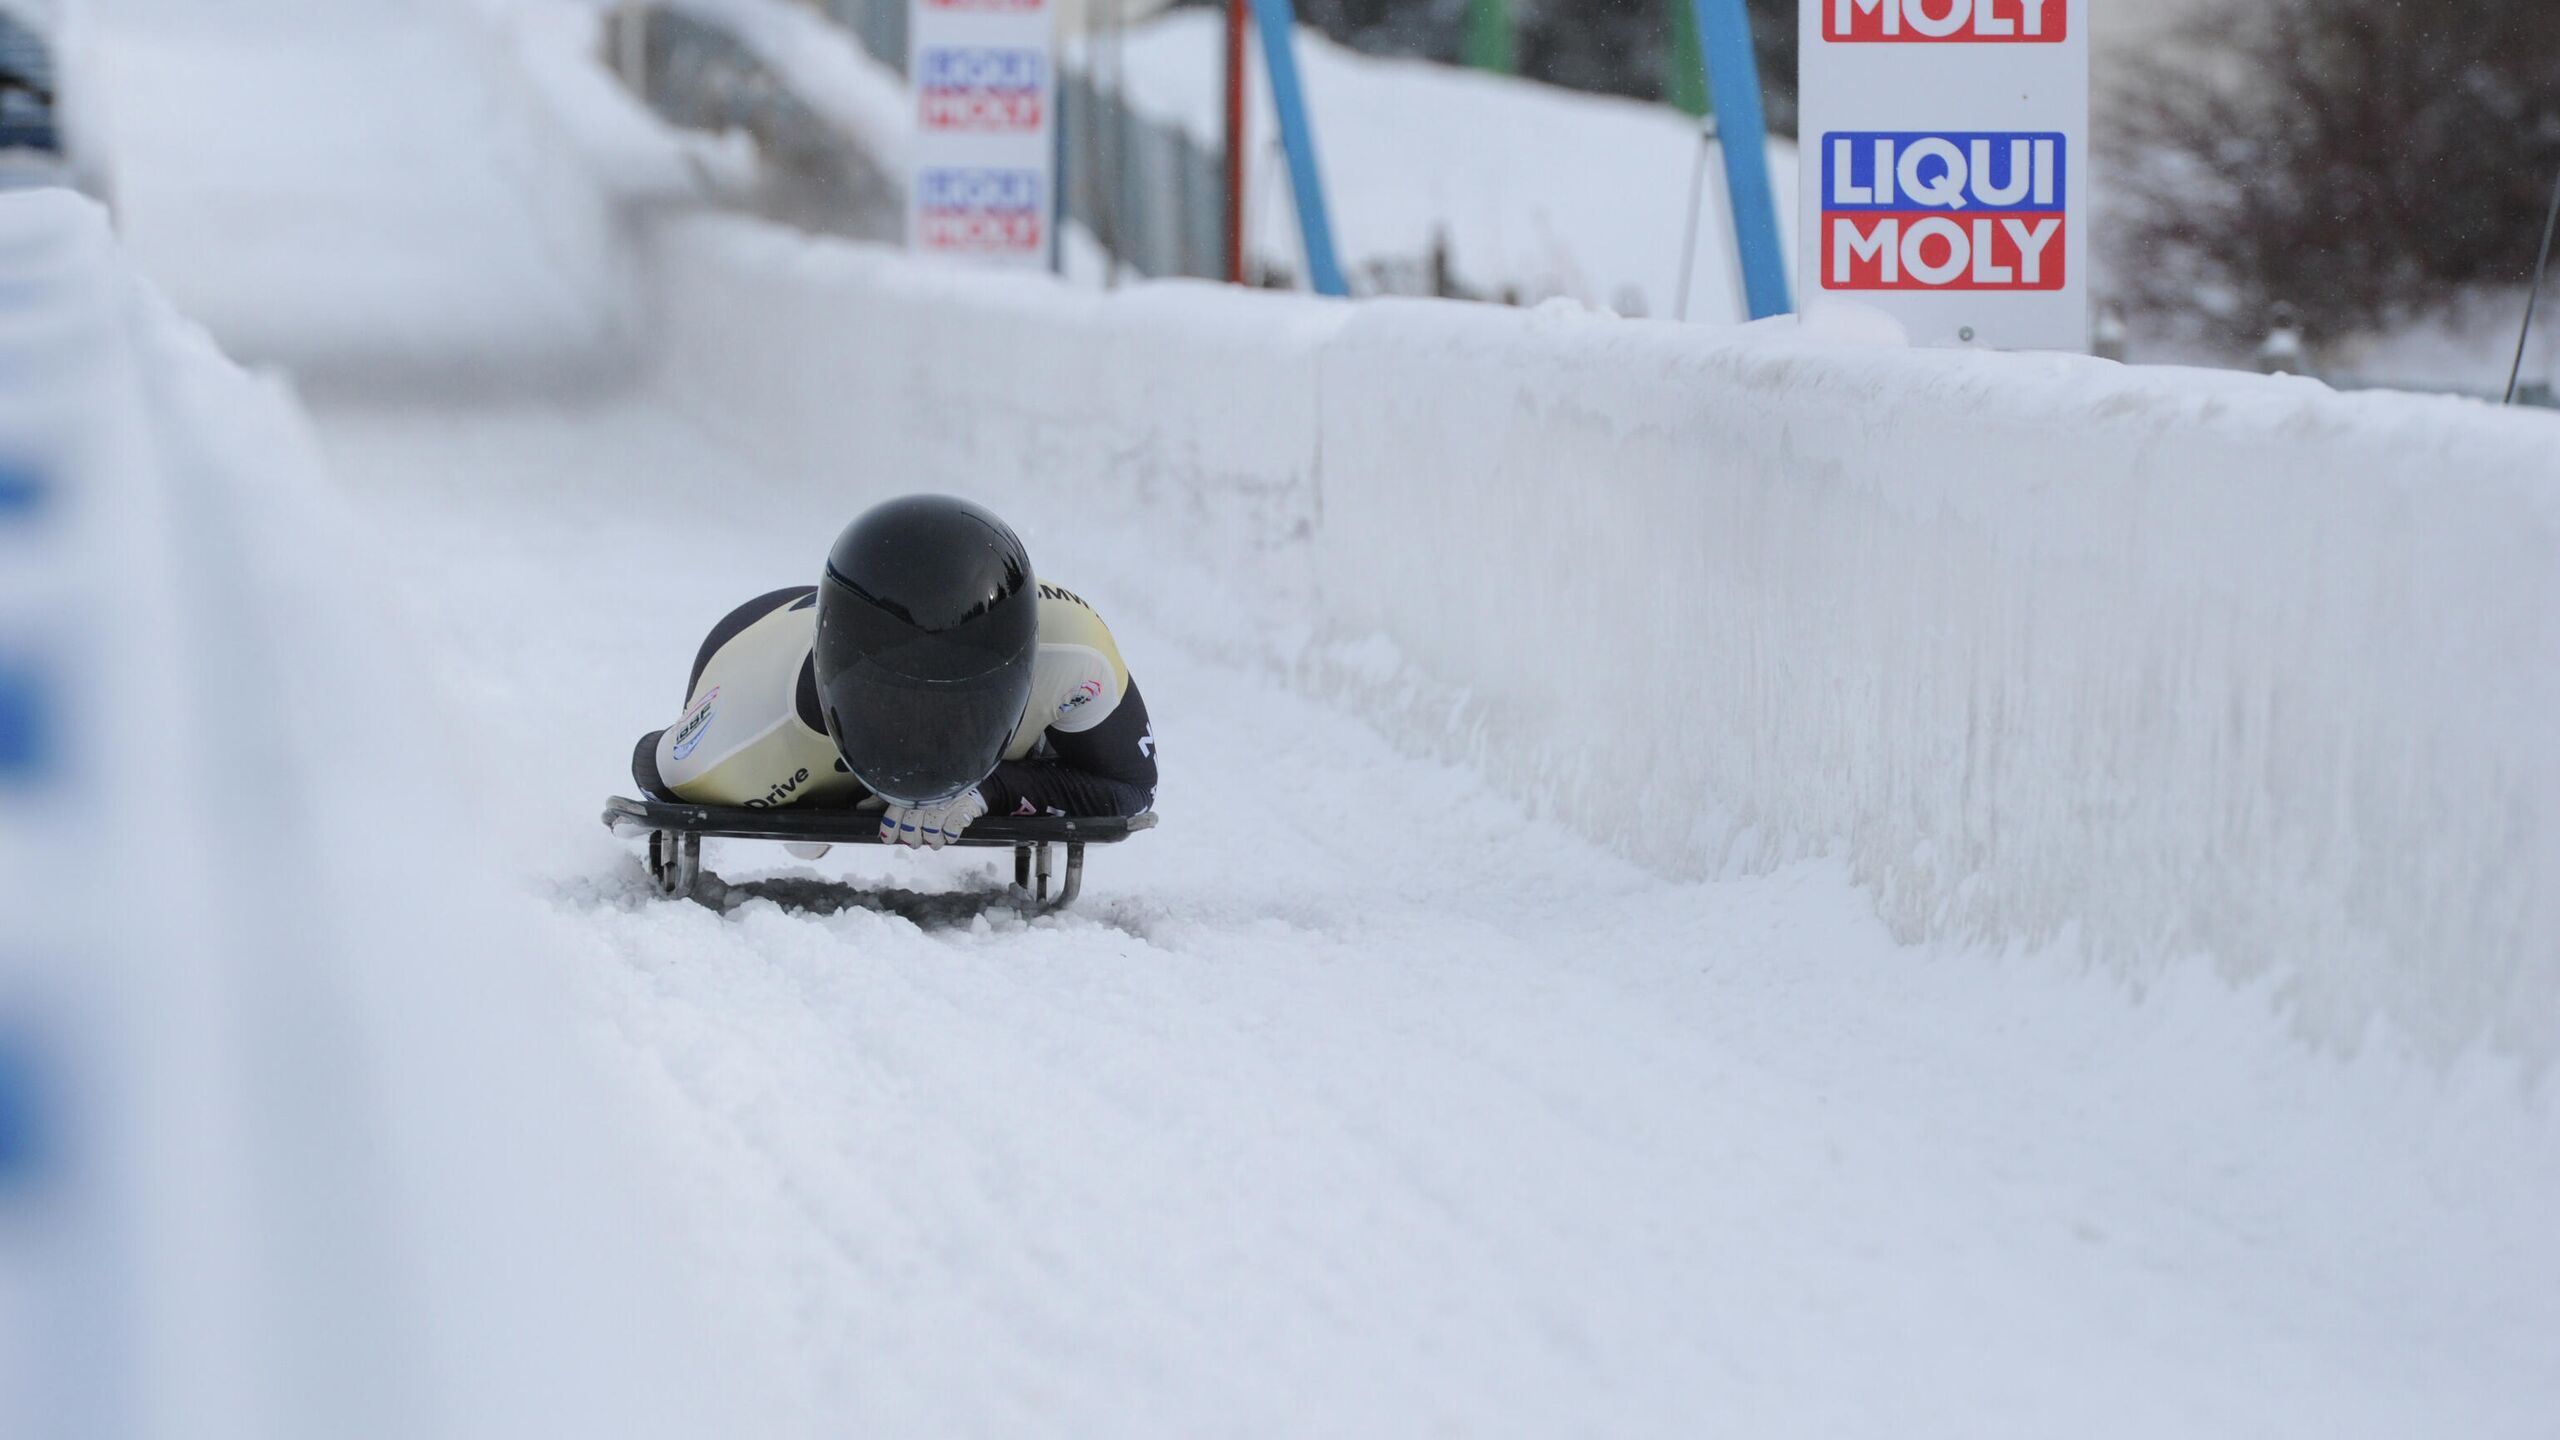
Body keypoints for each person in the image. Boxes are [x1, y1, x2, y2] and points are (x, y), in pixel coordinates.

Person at [631, 495, 1155, 849]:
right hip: (760, 641)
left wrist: (994, 787)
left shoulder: (1075, 652)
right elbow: (657, 768)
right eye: (896, 700)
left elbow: (1133, 787)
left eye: (963, 700)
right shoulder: (743, 739)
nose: (928, 739)